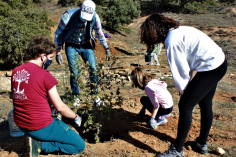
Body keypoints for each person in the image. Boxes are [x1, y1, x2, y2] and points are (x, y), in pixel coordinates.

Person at [140, 13, 227, 157]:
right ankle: (201, 143)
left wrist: (184, 91)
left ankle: (177, 150)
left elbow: (181, 70)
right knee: (205, 103)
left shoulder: (171, 41)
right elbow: (187, 64)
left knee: (185, 105)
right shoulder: (178, 30)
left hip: (211, 67)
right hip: (218, 63)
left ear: (154, 31)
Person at [11, 35, 85, 157]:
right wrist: (76, 117)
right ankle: (40, 145)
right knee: (79, 146)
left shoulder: (16, 71)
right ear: (42, 56)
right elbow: (60, 107)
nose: (50, 61)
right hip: (40, 126)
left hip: (21, 124)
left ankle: (35, 138)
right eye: (50, 57)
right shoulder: (45, 75)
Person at [54, 0, 110, 106]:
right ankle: (76, 97)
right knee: (74, 72)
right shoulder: (68, 16)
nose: (85, 19)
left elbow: (99, 33)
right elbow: (58, 34)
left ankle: (95, 96)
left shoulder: (94, 17)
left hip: (85, 44)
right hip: (71, 45)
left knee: (93, 69)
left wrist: (106, 48)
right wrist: (57, 52)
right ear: (80, 8)